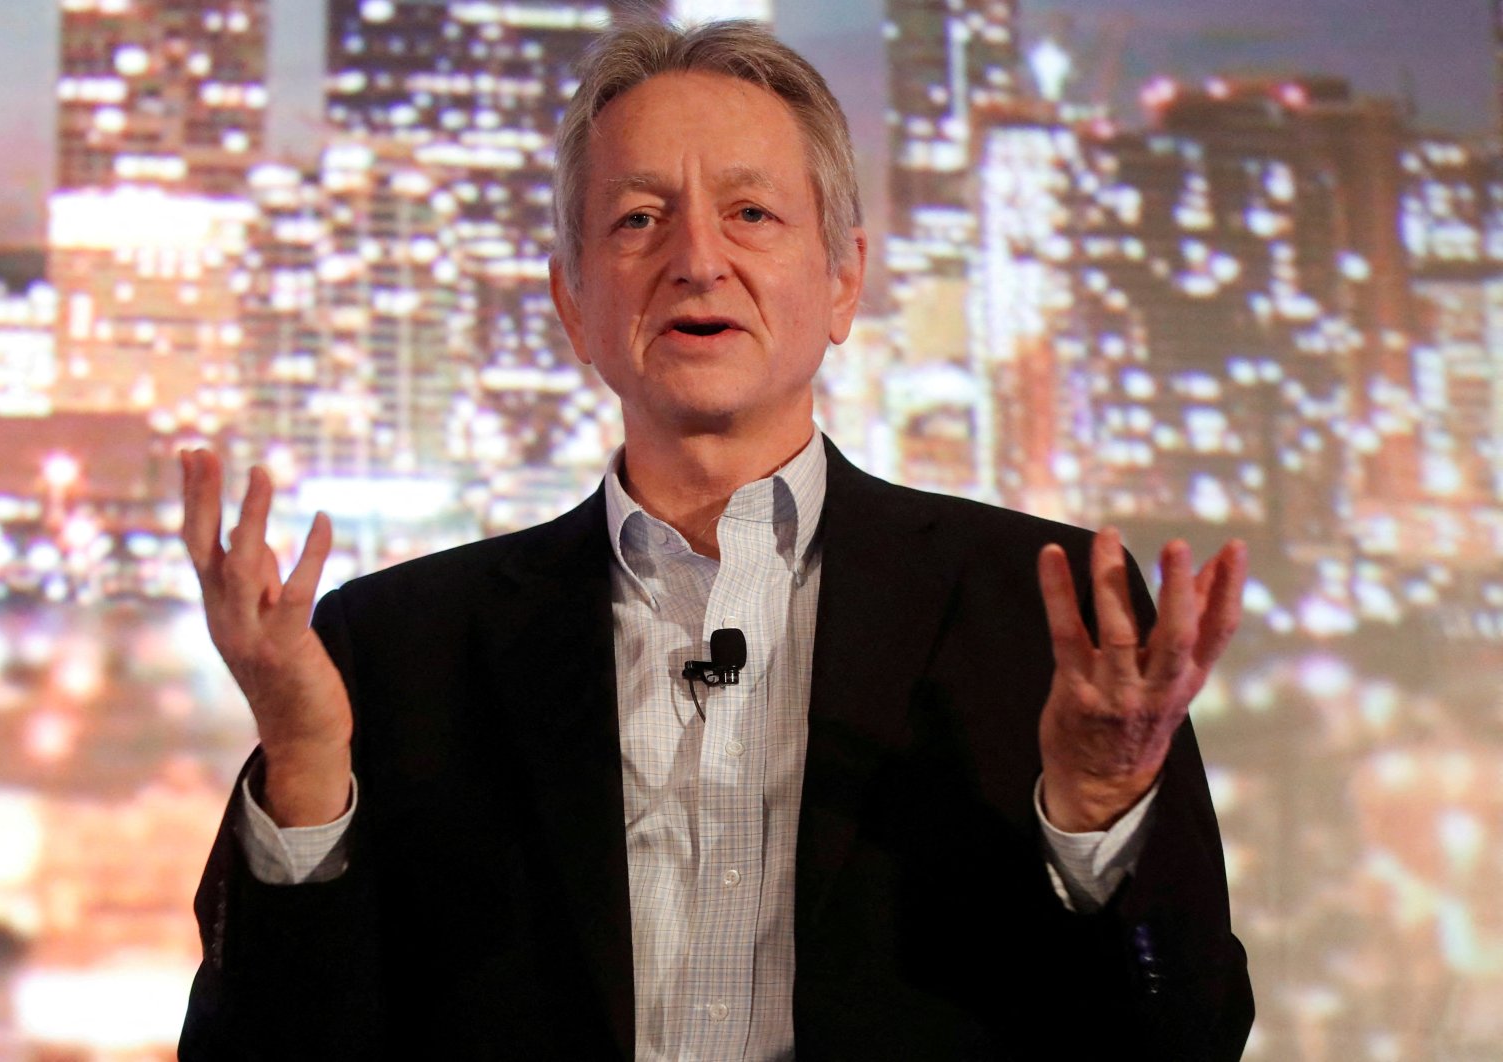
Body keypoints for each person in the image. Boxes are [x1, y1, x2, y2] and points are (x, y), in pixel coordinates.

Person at [178, 19, 1253, 1060]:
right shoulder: (388, 649)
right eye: (639, 220)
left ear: (842, 281)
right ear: (573, 304)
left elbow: (1184, 1040)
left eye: (751, 213)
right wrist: (308, 772)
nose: (697, 258)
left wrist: (1102, 813)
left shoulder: (1048, 616)